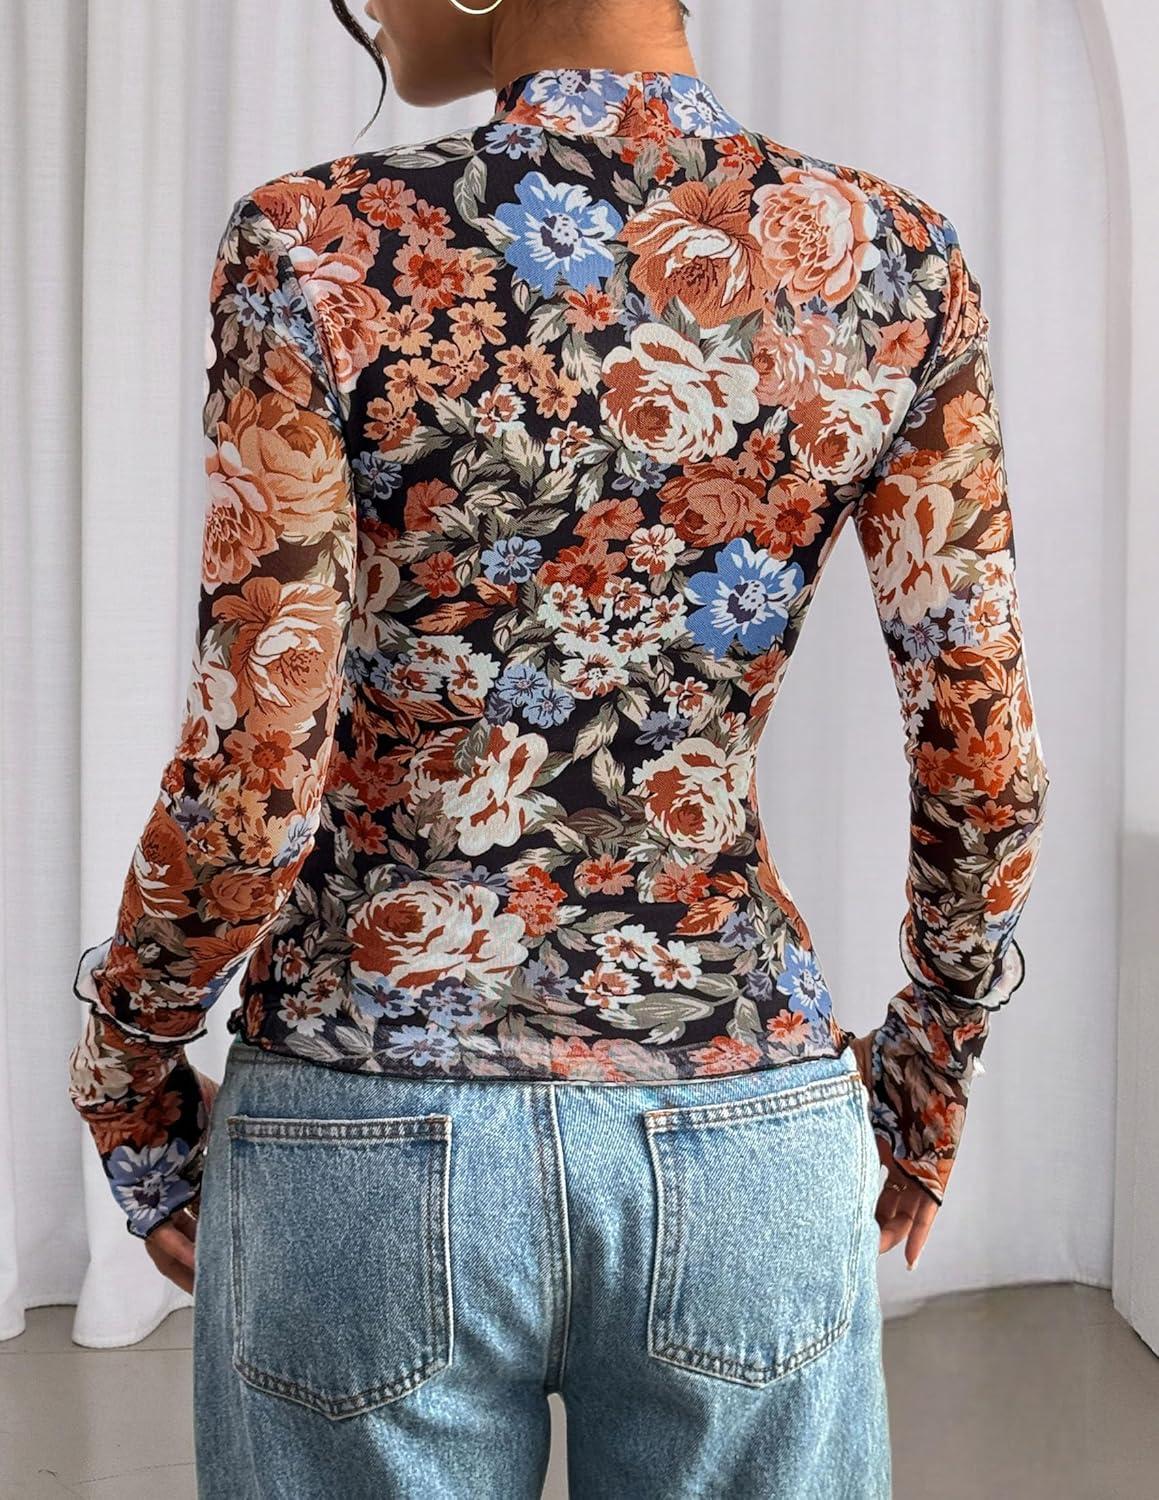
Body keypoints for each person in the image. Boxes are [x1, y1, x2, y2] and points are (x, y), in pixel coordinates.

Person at [66, 0, 1051, 1493]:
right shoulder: (894, 261)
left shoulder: (314, 246)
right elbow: (986, 758)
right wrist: (932, 1063)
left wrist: (130, 1053)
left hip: (364, 1119)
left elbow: (257, 761)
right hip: (740, 1114)